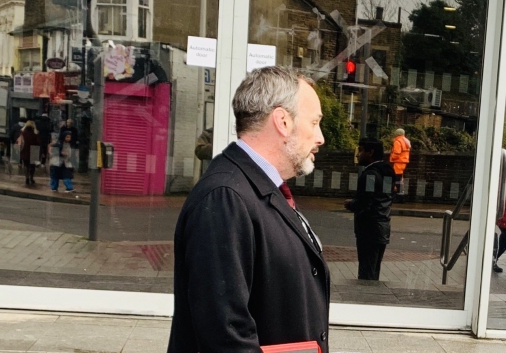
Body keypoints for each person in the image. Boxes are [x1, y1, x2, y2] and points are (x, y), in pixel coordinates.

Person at [168, 66, 328, 353]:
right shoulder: (225, 197)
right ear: (282, 122)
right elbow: (226, 333)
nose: (320, 137)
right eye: (314, 122)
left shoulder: (253, 189)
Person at [345, 137, 394, 280]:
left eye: (361, 150)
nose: (358, 154)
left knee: (366, 272)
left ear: (370, 152)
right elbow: (383, 197)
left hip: (369, 228)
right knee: (374, 270)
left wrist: (351, 204)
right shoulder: (386, 172)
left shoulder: (370, 175)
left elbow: (367, 201)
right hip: (382, 226)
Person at [389, 128, 411, 196]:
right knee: (400, 178)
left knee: (397, 178)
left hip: (398, 161)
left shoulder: (397, 141)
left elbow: (397, 152)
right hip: (403, 161)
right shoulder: (406, 141)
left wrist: (392, 158)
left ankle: (398, 194)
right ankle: (401, 193)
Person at [17, 120, 39, 186]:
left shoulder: (22, 132)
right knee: (32, 166)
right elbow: (38, 143)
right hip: (34, 151)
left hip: (24, 150)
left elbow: (19, 141)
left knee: (26, 165)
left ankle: (26, 178)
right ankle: (31, 178)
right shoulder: (35, 133)